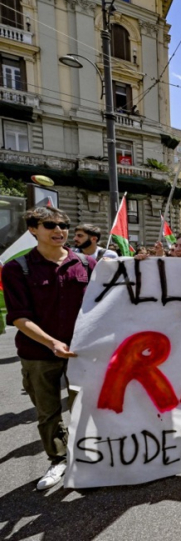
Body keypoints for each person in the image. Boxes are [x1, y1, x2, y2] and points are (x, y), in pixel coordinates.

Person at [2, 206, 97, 490]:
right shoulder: (17, 268)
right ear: (33, 229)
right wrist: (52, 342)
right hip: (38, 354)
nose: (59, 231)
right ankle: (58, 459)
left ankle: (87, 456)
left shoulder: (87, 264)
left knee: (86, 407)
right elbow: (19, 316)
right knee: (48, 412)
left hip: (82, 354)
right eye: (50, 225)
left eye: (63, 225)